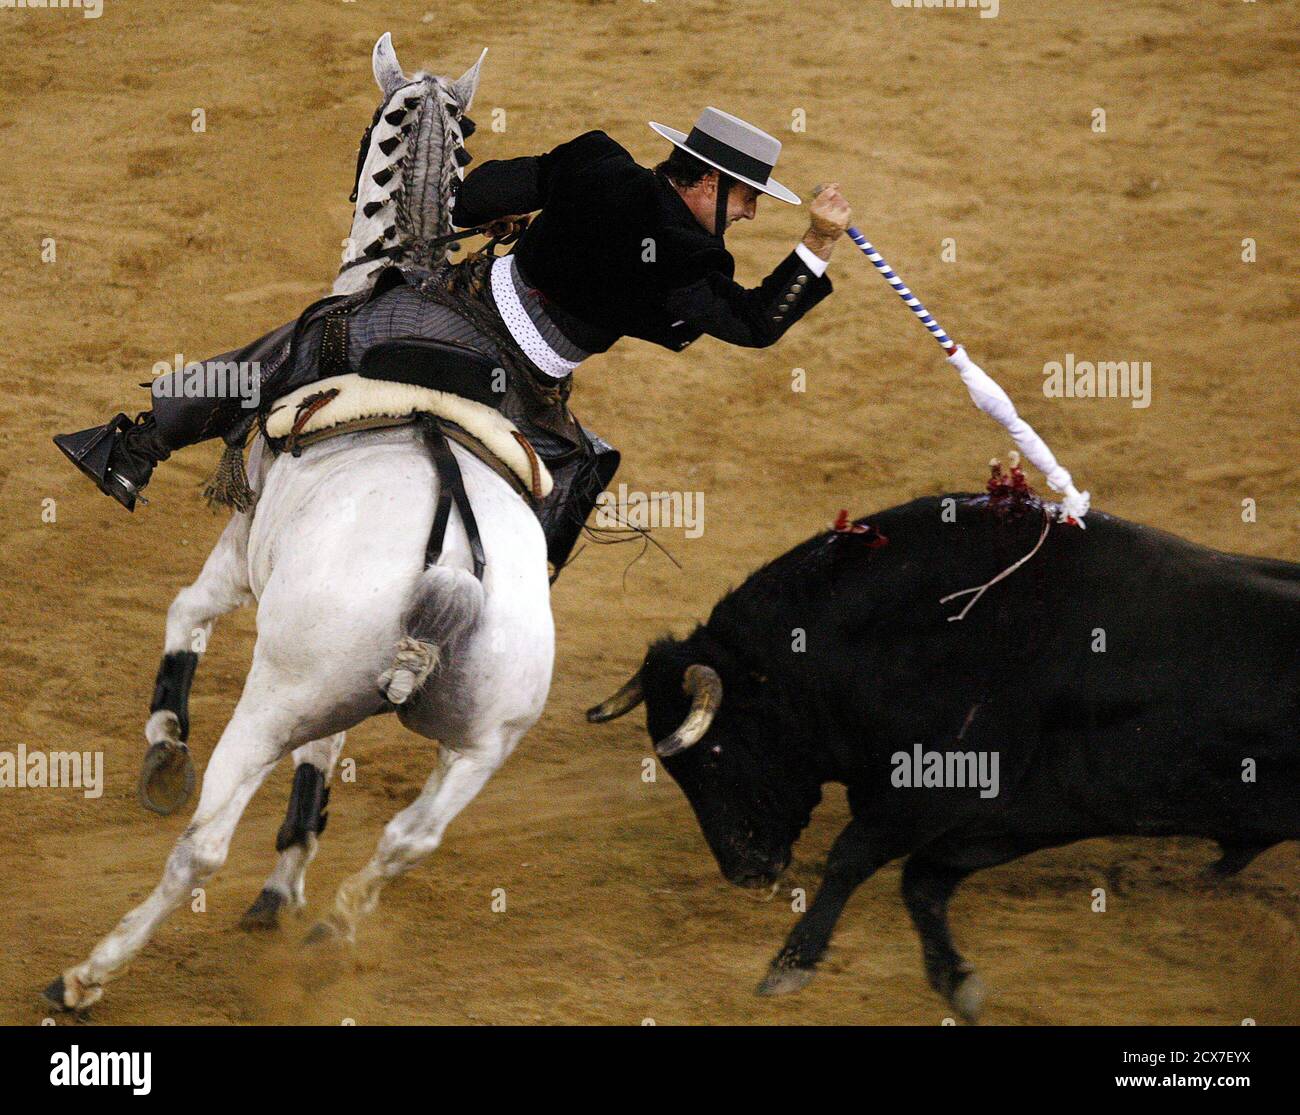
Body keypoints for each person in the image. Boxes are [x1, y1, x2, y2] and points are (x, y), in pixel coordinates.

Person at [54, 107, 852, 575]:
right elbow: (753, 323)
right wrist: (818, 244)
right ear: (708, 182)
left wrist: (504, 221)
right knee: (575, 487)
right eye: (748, 199)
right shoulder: (692, 260)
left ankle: (135, 445)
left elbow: (473, 197)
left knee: (303, 343)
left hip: (445, 316)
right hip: (525, 394)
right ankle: (512, 597)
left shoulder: (596, 160)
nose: (748, 216)